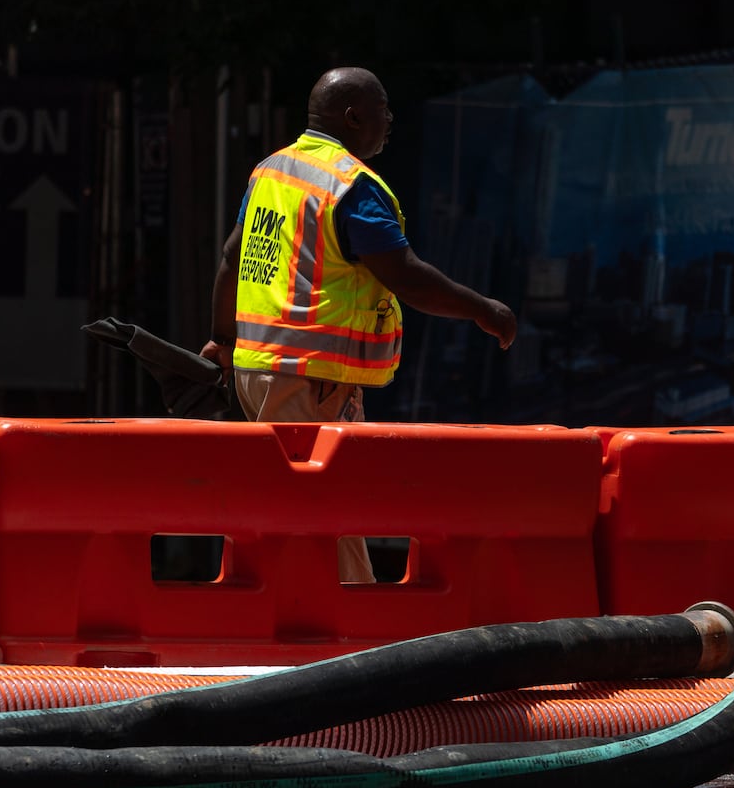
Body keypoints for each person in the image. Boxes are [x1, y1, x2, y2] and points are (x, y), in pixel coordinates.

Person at [201, 66, 516, 582]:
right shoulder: (351, 186)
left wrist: (222, 338)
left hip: (258, 372)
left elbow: (232, 256)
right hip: (311, 378)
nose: (390, 121)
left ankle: (314, 622)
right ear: (353, 116)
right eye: (383, 109)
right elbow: (406, 277)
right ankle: (343, 633)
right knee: (324, 512)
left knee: (298, 507)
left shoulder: (272, 171)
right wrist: (484, 309)